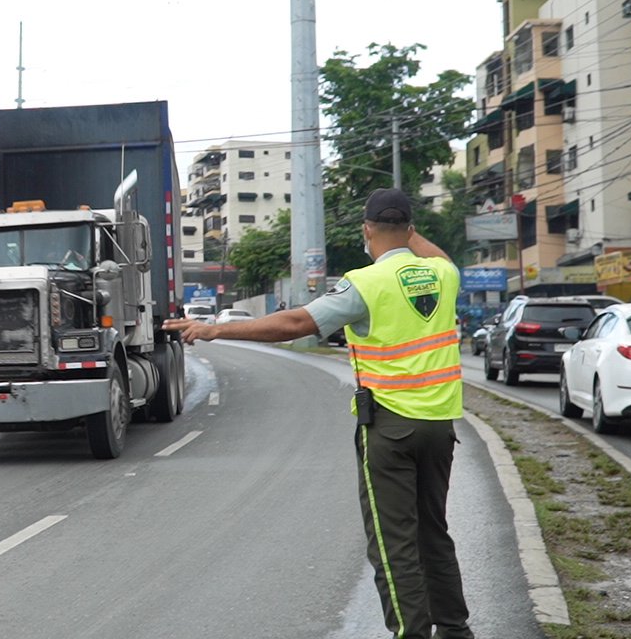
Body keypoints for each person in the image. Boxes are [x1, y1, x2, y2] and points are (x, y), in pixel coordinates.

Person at [163, 188, 472, 639]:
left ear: (367, 230)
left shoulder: (365, 284)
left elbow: (293, 324)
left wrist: (214, 329)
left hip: (390, 431)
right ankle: (455, 630)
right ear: (410, 229)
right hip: (440, 428)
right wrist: (406, 232)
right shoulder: (443, 275)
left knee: (393, 544)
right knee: (433, 534)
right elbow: (437, 254)